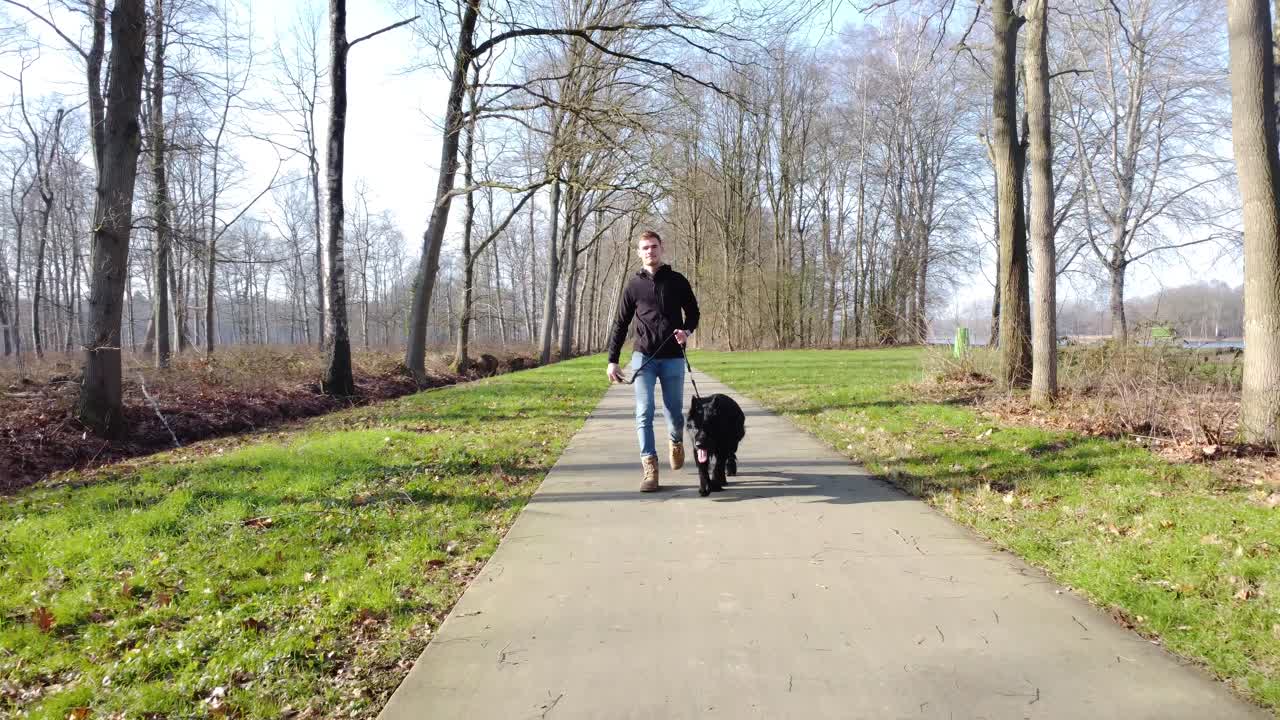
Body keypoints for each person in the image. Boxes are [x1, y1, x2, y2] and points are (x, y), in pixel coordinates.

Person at [606, 230, 700, 492]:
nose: (650, 251)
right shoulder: (633, 286)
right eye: (645, 248)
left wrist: (686, 331)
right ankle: (650, 469)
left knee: (674, 414)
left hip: (673, 357)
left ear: (661, 248)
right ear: (639, 252)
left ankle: (675, 441)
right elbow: (621, 324)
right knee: (644, 411)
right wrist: (613, 360)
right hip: (643, 357)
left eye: (654, 246)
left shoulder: (677, 280)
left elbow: (693, 313)